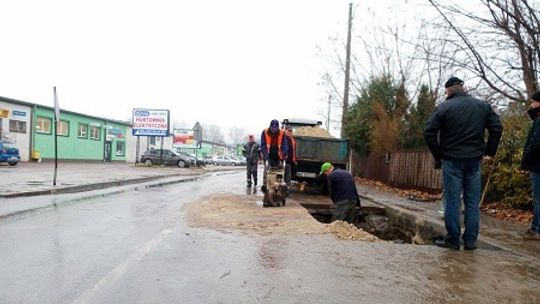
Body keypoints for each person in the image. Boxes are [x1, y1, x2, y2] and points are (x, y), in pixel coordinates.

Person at [424, 76, 503, 250]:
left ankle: (453, 239)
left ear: (449, 90)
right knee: (472, 202)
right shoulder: (482, 106)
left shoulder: (444, 107)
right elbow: (497, 127)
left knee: (452, 200)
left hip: (452, 160)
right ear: (462, 87)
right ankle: (470, 241)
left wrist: (439, 155)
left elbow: (429, 131)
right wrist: (489, 151)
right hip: (474, 160)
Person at [521, 90, 540, 241]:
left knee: (538, 198)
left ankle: (537, 228)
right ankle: (535, 226)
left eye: (533, 102)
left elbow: (536, 143)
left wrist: (527, 156)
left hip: (537, 164)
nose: (531, 105)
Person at [260, 119, 288, 188]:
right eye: (273, 127)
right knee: (267, 170)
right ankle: (265, 185)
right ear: (270, 126)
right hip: (268, 154)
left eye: (276, 128)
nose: (274, 129)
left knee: (280, 171)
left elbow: (284, 144)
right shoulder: (265, 132)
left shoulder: (282, 133)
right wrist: (265, 155)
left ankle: (279, 185)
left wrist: (284, 153)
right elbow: (263, 145)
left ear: (278, 127)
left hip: (278, 155)